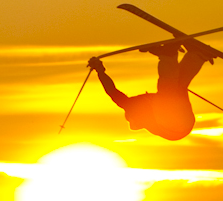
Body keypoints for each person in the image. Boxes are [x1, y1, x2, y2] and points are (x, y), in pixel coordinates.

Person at [87, 40, 215, 141]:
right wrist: (100, 70)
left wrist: (100, 70)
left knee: (177, 87)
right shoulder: (131, 107)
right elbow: (111, 91)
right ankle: (169, 55)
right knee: (168, 90)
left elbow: (112, 90)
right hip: (173, 126)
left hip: (183, 125)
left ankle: (197, 55)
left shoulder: (137, 105)